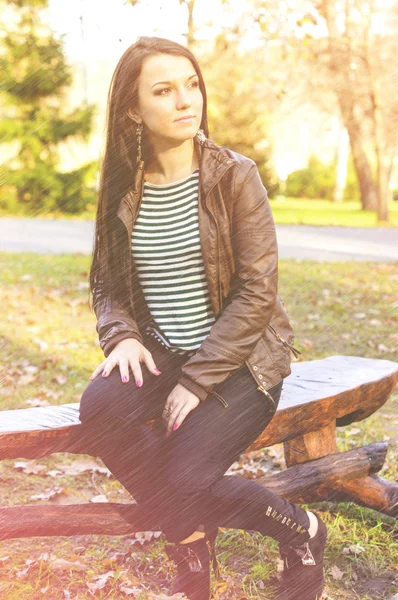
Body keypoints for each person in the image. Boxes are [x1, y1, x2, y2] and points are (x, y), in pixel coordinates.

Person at [79, 36, 327, 600]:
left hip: (243, 361)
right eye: (163, 90)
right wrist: (119, 334)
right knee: (100, 407)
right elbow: (108, 280)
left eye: (191, 85)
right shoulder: (125, 184)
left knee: (186, 477)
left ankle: (304, 530)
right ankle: (189, 534)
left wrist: (196, 380)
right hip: (165, 350)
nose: (185, 100)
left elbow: (258, 293)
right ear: (132, 110)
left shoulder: (235, 176)